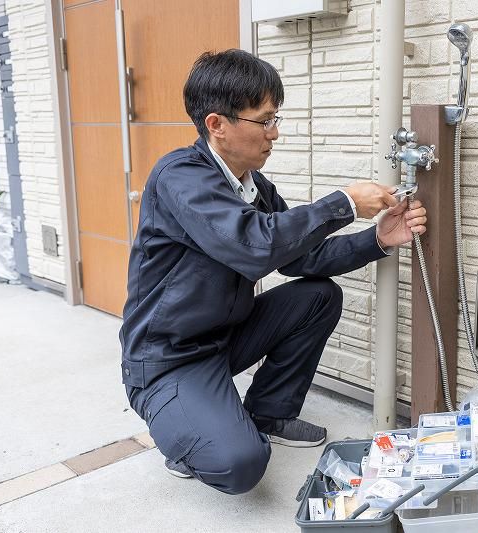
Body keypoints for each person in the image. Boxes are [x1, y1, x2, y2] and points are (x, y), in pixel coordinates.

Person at [119, 49, 427, 495]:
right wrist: (343, 203)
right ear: (217, 124)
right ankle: (184, 431)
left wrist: (378, 239)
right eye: (263, 121)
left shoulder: (254, 186)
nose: (274, 133)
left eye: (275, 119)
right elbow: (253, 245)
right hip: (168, 359)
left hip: (223, 339)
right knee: (241, 462)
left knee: (318, 296)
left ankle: (268, 411)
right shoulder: (178, 178)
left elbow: (301, 258)